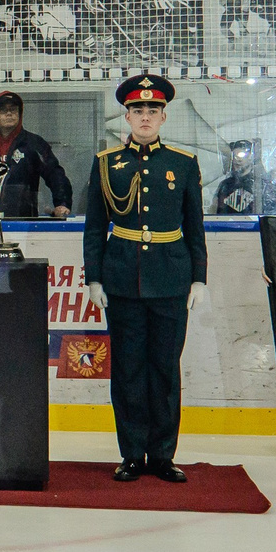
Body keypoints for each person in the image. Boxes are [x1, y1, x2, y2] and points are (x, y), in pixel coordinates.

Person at [82, 74, 205, 483]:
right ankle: (133, 454)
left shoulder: (183, 164)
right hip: (122, 280)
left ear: (164, 116)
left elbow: (195, 226)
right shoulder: (106, 163)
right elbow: (95, 227)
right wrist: (95, 279)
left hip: (171, 278)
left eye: (153, 110)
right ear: (127, 116)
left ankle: (164, 456)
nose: (145, 117)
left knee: (166, 370)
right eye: (138, 110)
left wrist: (199, 278)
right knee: (129, 371)